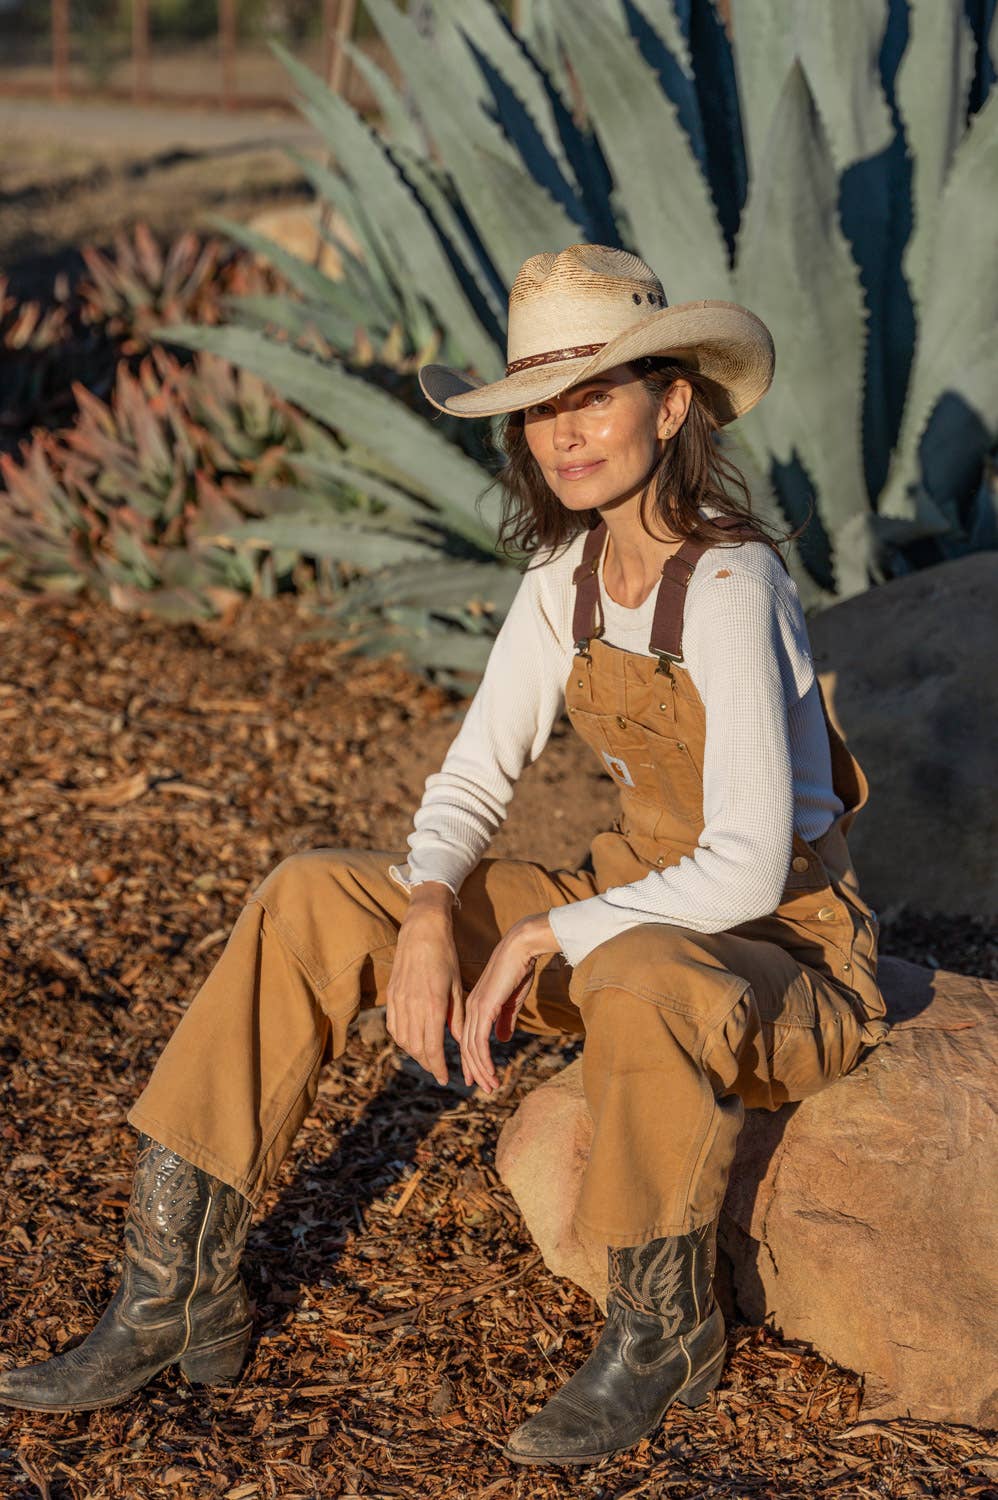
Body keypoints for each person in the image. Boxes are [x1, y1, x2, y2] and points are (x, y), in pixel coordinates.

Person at [0, 245, 889, 1466]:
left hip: (779, 952)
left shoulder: (731, 581)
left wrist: (533, 934)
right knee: (317, 894)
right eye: (539, 409)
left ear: (668, 403)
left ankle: (664, 1329)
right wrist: (425, 910)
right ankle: (173, 1287)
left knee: (633, 968)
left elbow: (742, 867)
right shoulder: (560, 578)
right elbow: (474, 774)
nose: (563, 434)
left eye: (594, 395)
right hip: (625, 906)